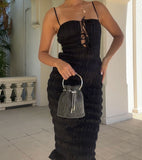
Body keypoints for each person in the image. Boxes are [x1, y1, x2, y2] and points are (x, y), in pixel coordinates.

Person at [38, 0, 124, 159]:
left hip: (92, 87)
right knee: (67, 147)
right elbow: (42, 53)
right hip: (65, 88)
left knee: (87, 147)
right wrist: (57, 62)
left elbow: (119, 35)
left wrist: (106, 59)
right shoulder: (54, 14)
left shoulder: (97, 7)